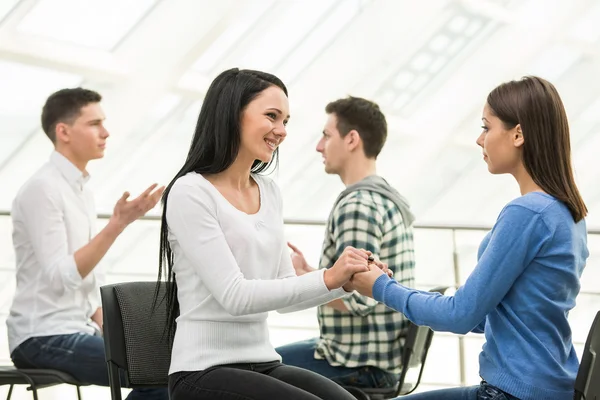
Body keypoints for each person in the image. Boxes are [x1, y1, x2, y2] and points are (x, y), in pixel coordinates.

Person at [351, 76, 589, 400]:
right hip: (546, 387)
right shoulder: (567, 214)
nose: (479, 140)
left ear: (517, 134)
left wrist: (380, 287)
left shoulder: (527, 213)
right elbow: (492, 315)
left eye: (486, 127)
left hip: (512, 393)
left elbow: (461, 316)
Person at [157, 68, 377, 400]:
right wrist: (330, 277)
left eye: (286, 120)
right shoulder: (191, 192)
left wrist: (345, 282)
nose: (282, 131)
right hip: (203, 371)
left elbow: (285, 290)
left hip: (261, 361)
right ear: (232, 114)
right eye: (272, 116)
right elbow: (236, 297)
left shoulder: (269, 191)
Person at [7, 88, 167, 400]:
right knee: (157, 372)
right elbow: (61, 275)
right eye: (94, 124)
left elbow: (85, 281)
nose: (105, 132)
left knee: (171, 365)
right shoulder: (43, 189)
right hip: (42, 336)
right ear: (63, 131)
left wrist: (115, 330)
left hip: (76, 328)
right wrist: (117, 225)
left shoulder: (81, 190)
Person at [276, 96, 416, 389]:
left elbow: (360, 296)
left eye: (327, 135)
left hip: (359, 364)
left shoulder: (357, 205)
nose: (318, 145)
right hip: (374, 358)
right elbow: (357, 280)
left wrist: (305, 277)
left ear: (352, 139)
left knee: (246, 375)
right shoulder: (383, 197)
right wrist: (314, 273)